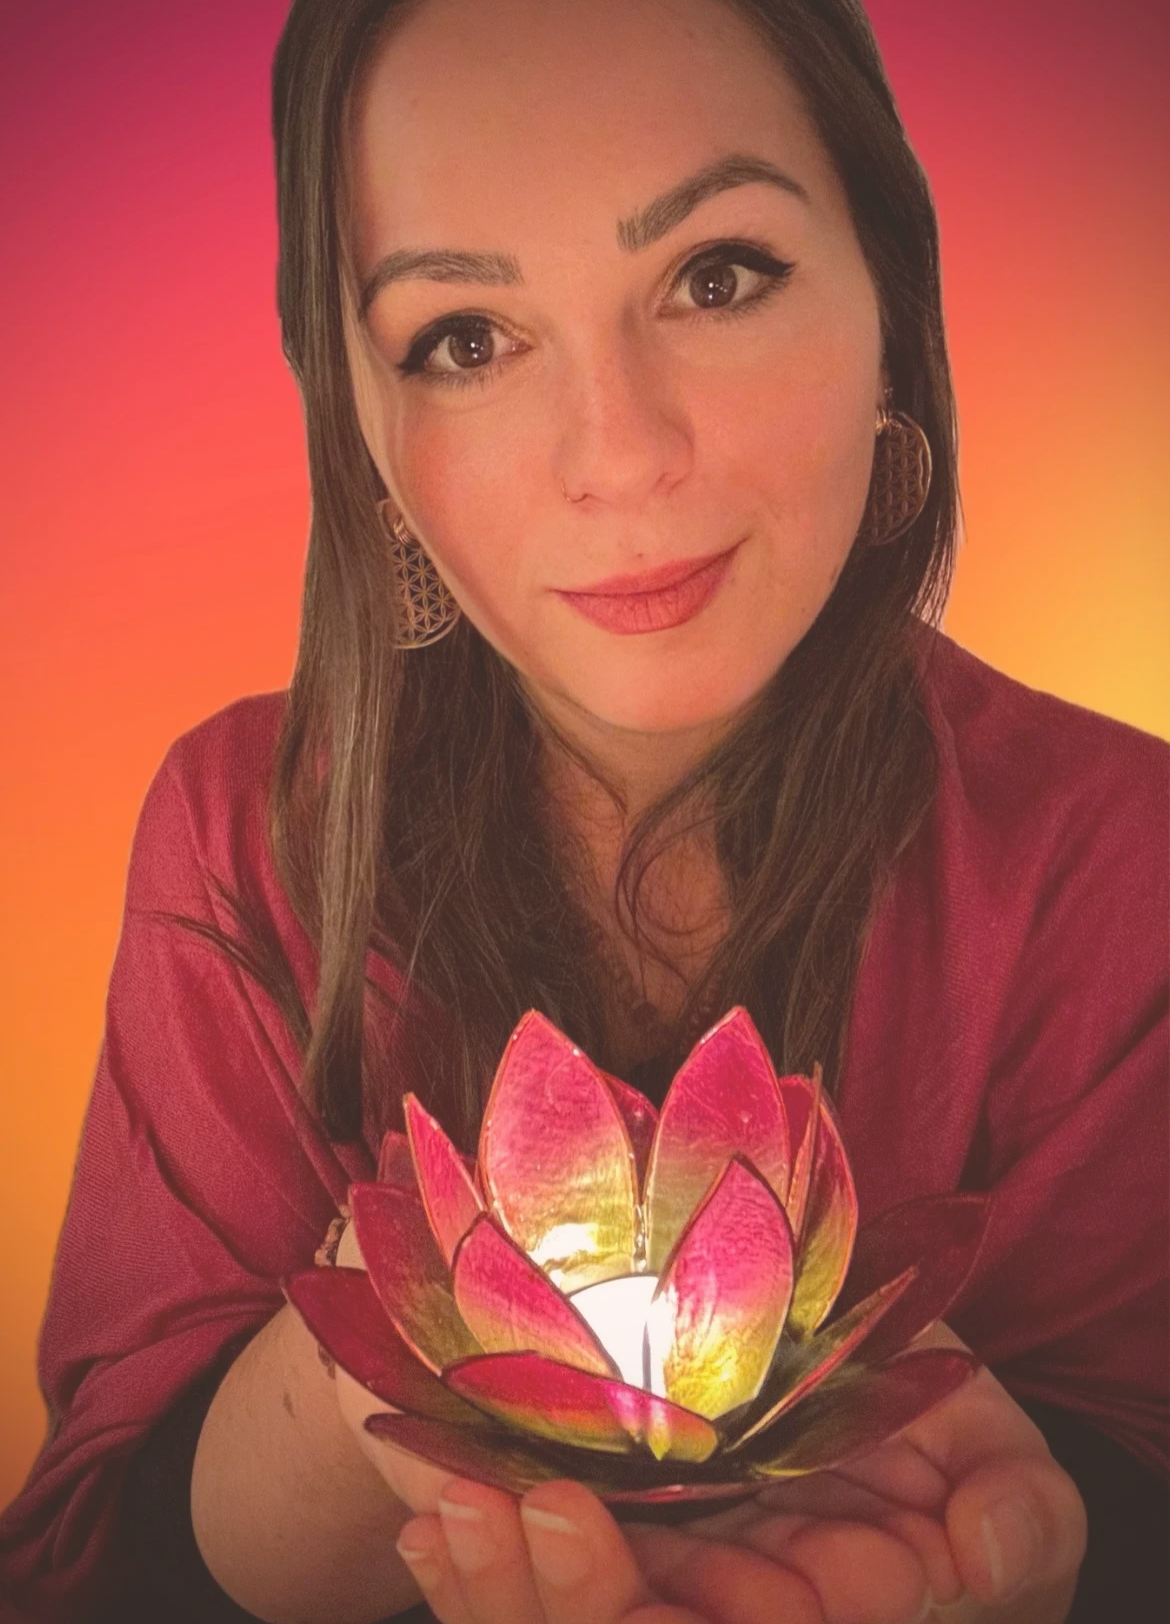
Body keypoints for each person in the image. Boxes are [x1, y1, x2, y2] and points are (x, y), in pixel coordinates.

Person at [1, 0, 1166, 1620]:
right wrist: (390, 1364)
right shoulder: (244, 834)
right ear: (362, 429)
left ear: (892, 308)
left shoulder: (1122, 858)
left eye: (716, 276)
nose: (618, 458)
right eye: (465, 340)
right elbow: (97, 1559)